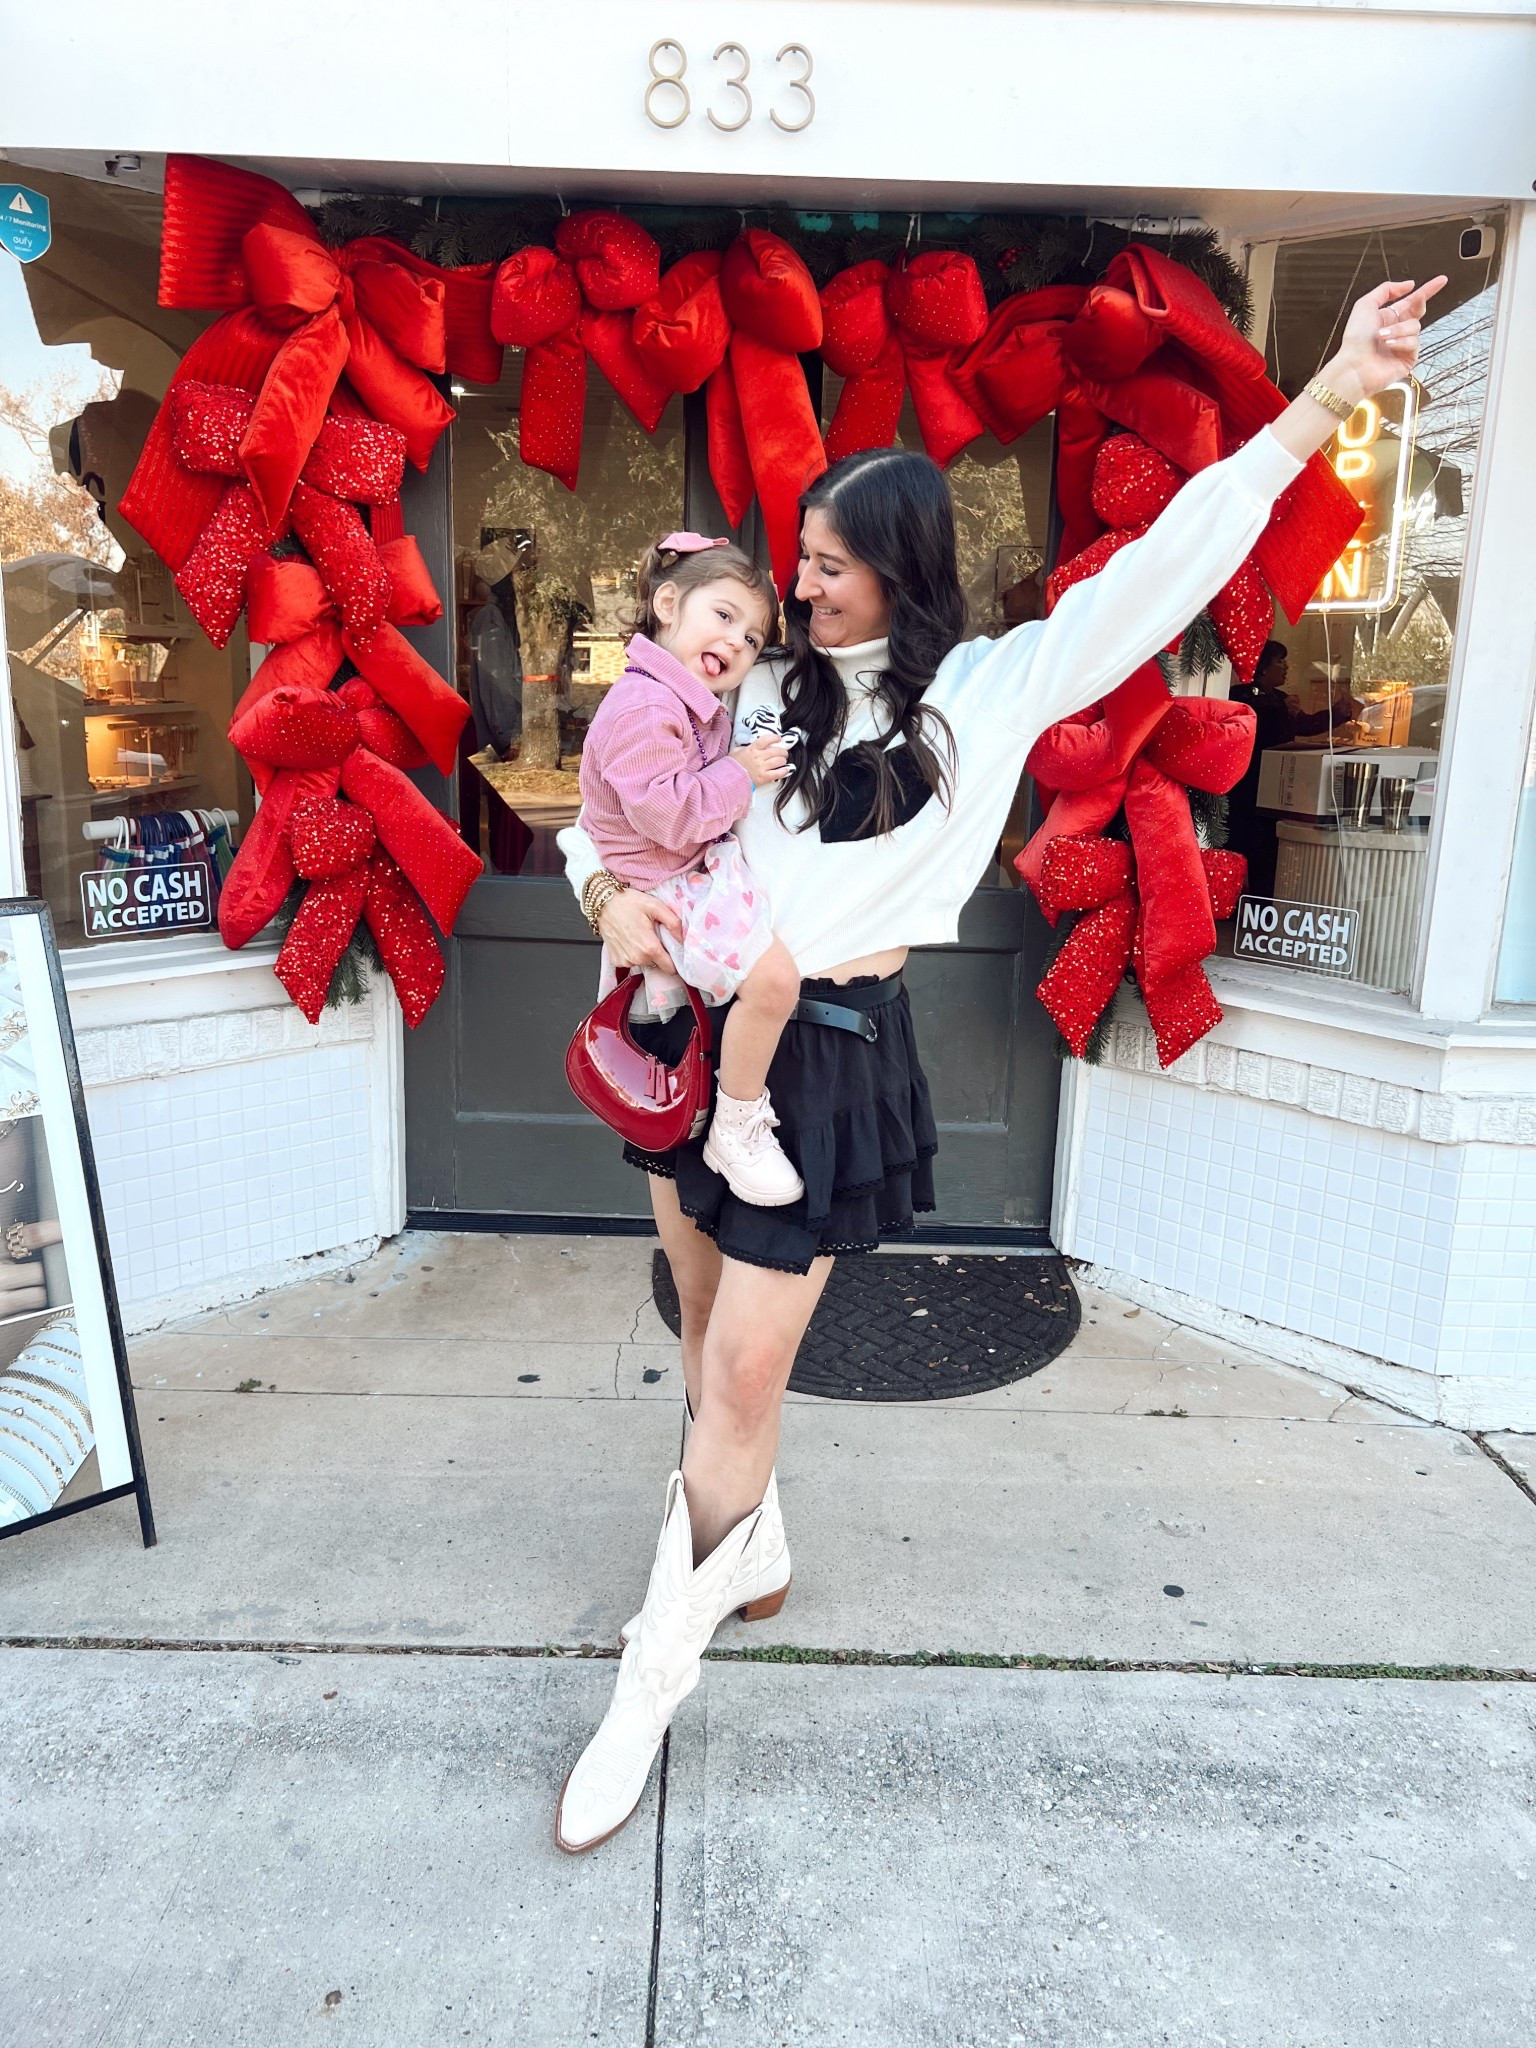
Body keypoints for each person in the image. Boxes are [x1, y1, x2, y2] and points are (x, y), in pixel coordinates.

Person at [551, 274, 1446, 1856]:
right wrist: (607, 895)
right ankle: (749, 1550)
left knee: (744, 1371)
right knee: (706, 1353)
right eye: (793, 567)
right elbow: (610, 814)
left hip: (824, 1058)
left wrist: (1327, 395)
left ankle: (649, 1680)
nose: (793, 592)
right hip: (697, 1033)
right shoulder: (758, 692)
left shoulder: (988, 690)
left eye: (822, 567)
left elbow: (1176, 564)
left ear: (893, 568)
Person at [578, 533, 808, 1204]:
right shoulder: (646, 707)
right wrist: (739, 773)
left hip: (683, 873)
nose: (738, 642)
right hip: (673, 880)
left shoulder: (676, 695)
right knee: (772, 983)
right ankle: (735, 1128)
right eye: (725, 616)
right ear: (669, 603)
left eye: (753, 635)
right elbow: (672, 817)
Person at [1227, 638, 1300, 898]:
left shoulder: (1279, 699)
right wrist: (1282, 709)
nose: (1286, 667)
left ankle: (1261, 902)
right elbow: (1256, 721)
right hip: (1246, 786)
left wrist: (1339, 714)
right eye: (1280, 661)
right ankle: (1234, 899)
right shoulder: (1242, 694)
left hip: (1272, 788)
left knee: (1267, 847)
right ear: (1264, 667)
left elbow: (1305, 725)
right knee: (1243, 842)